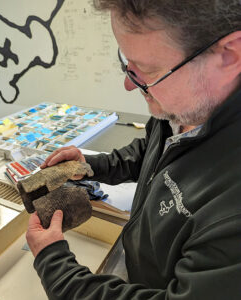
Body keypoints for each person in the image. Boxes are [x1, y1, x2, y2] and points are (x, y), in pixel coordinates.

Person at [26, 0, 241, 299]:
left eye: (147, 71)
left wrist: (55, 266)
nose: (129, 85)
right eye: (127, 63)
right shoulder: (184, 109)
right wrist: (92, 166)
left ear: (230, 55)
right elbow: (154, 152)